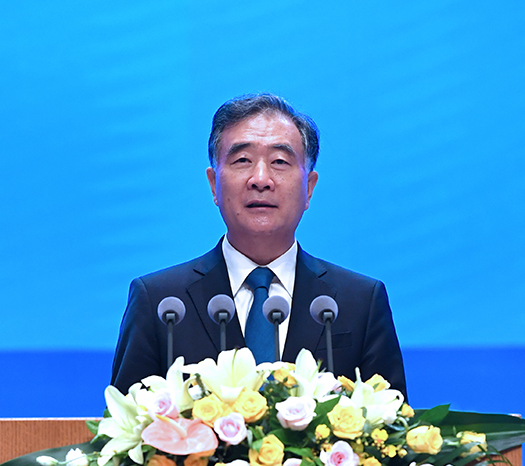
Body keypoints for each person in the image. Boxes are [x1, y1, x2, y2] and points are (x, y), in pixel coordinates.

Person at [111, 93, 407, 397]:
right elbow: (124, 422)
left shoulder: (359, 302)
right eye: (242, 161)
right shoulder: (160, 302)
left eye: (280, 162)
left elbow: (393, 420)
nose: (261, 179)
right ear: (214, 185)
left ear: (309, 188)